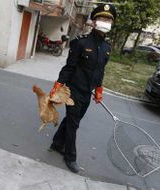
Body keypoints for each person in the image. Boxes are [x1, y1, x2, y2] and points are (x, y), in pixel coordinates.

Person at [49, 3, 117, 173]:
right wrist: (58, 85)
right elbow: (69, 67)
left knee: (74, 120)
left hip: (87, 92)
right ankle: (70, 157)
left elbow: (100, 70)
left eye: (108, 19)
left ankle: (57, 143)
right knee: (73, 124)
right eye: (101, 18)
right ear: (94, 22)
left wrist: (99, 89)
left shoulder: (107, 48)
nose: (105, 21)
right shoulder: (80, 43)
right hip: (73, 91)